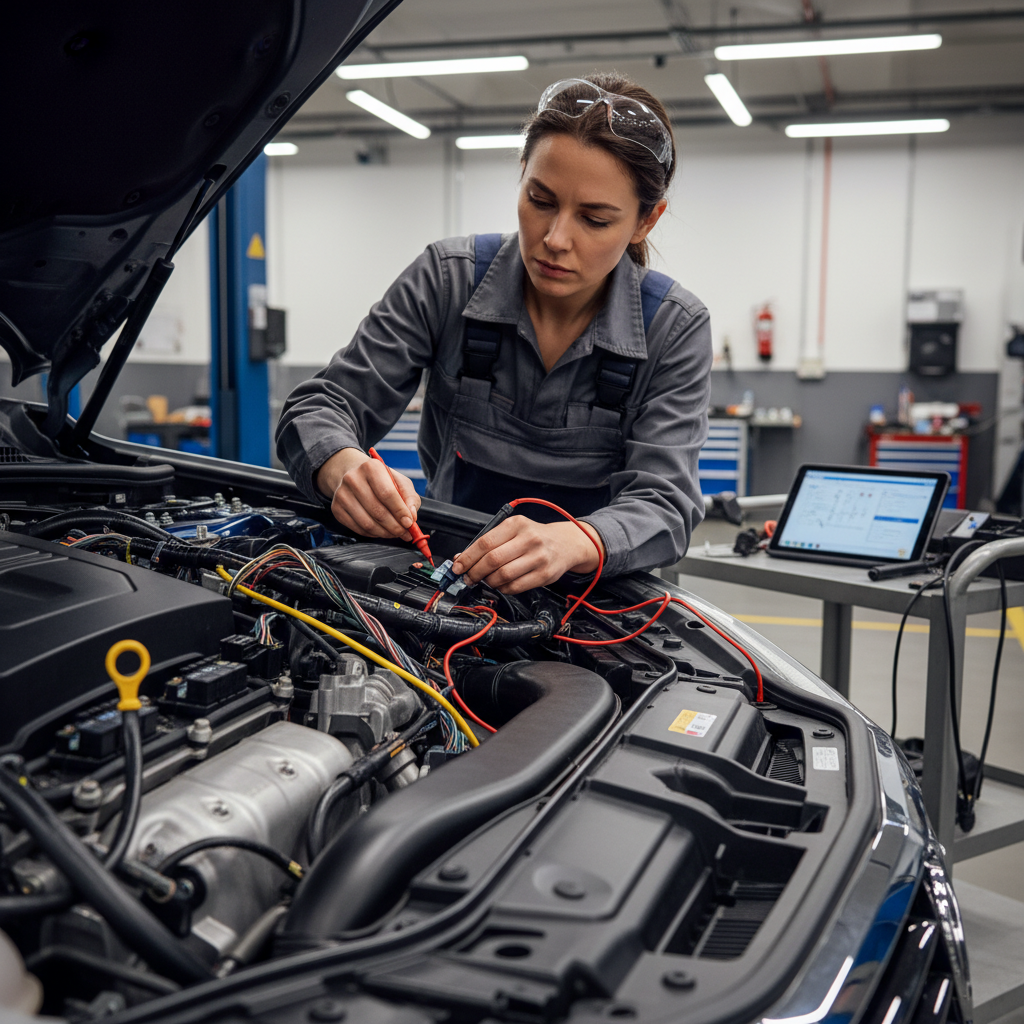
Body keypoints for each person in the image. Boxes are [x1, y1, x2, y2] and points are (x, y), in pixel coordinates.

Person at [276, 73, 712, 595]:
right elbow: (319, 408)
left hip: (589, 604)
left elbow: (665, 504)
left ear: (646, 221)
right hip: (444, 585)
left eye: (594, 219)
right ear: (522, 176)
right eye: (540, 200)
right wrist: (340, 465)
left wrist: (573, 543)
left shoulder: (675, 327)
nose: (555, 239)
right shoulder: (447, 279)